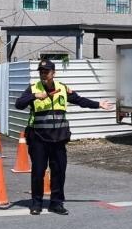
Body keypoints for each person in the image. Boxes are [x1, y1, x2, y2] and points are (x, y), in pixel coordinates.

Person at [15, 58, 115, 215]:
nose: (43, 74)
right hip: (38, 138)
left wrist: (98, 104)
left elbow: (79, 100)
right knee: (38, 172)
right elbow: (19, 104)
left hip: (59, 138)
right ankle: (36, 203)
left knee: (59, 171)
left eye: (46, 72)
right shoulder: (33, 88)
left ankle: (56, 203)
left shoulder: (62, 88)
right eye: (41, 72)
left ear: (53, 73)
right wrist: (34, 96)